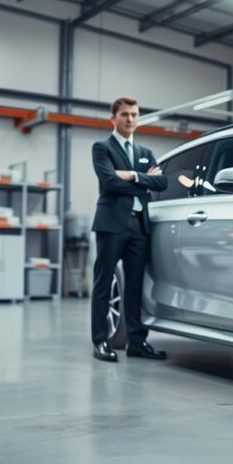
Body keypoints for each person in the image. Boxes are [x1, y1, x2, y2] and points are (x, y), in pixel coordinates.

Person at [89, 96, 168, 362]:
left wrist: (133, 175)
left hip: (139, 226)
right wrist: (145, 180)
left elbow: (163, 183)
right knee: (104, 284)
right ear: (114, 118)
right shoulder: (101, 148)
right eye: (125, 115)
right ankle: (100, 342)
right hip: (111, 225)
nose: (130, 119)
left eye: (134, 114)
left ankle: (137, 341)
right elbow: (109, 182)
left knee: (135, 286)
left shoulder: (145, 153)